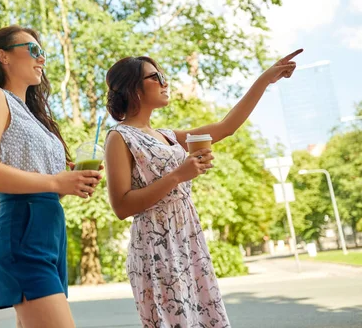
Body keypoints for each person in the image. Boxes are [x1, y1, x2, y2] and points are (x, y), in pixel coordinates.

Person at [104, 50, 302, 327]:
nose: (165, 82)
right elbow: (121, 206)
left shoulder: (168, 136)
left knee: (208, 320)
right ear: (132, 88)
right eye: (155, 76)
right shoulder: (119, 137)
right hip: (156, 247)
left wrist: (265, 79)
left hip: (189, 240)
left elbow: (226, 127)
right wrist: (178, 175)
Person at [0, 25, 102, 328]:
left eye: (43, 52)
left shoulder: (35, 117)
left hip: (50, 233)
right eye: (33, 50)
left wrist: (71, 181)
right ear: (4, 56)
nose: (42, 58)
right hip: (23, 230)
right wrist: (55, 182)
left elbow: (45, 183)